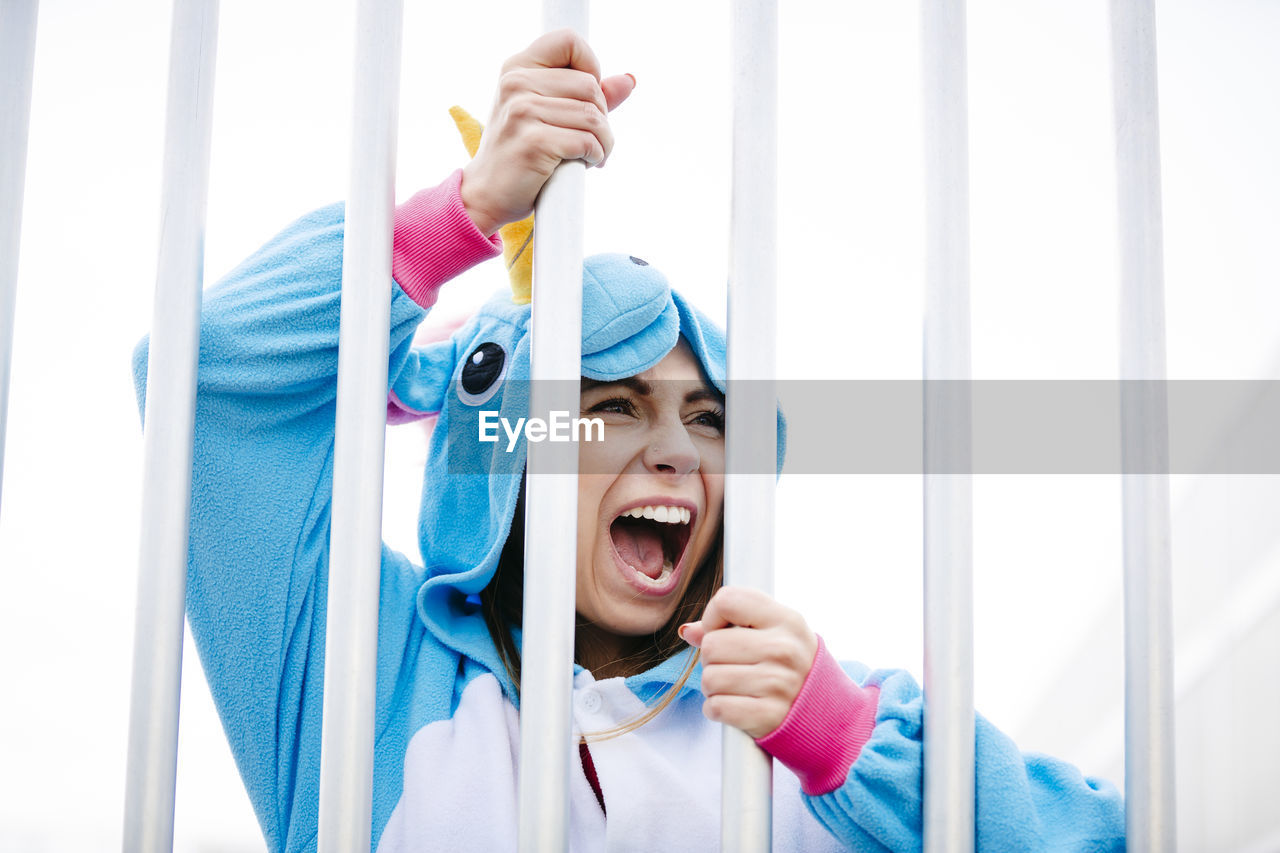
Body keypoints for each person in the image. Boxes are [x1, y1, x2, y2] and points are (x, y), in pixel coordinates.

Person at [132, 29, 1125, 853]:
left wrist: (842, 742)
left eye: (706, 418)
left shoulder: (838, 724)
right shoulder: (359, 665)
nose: (678, 453)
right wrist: (463, 212)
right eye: (605, 408)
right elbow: (209, 373)